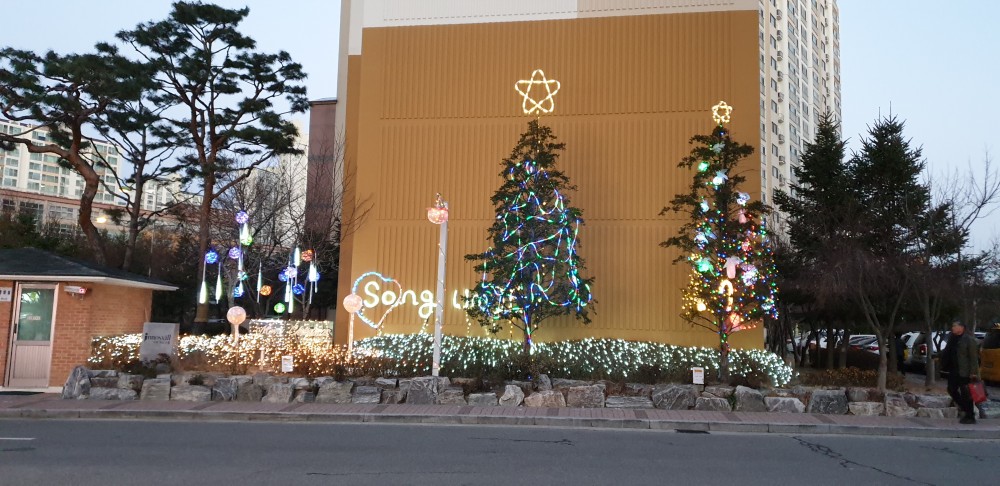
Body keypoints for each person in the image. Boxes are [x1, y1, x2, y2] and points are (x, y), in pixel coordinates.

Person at [941, 321, 980, 424]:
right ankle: (965, 408)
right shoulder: (952, 339)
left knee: (966, 393)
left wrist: (973, 372)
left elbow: (973, 358)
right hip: (954, 370)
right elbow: (948, 352)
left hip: (965, 371)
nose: (952, 328)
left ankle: (970, 416)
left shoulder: (968, 339)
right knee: (951, 389)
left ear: (961, 327)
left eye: (955, 326)